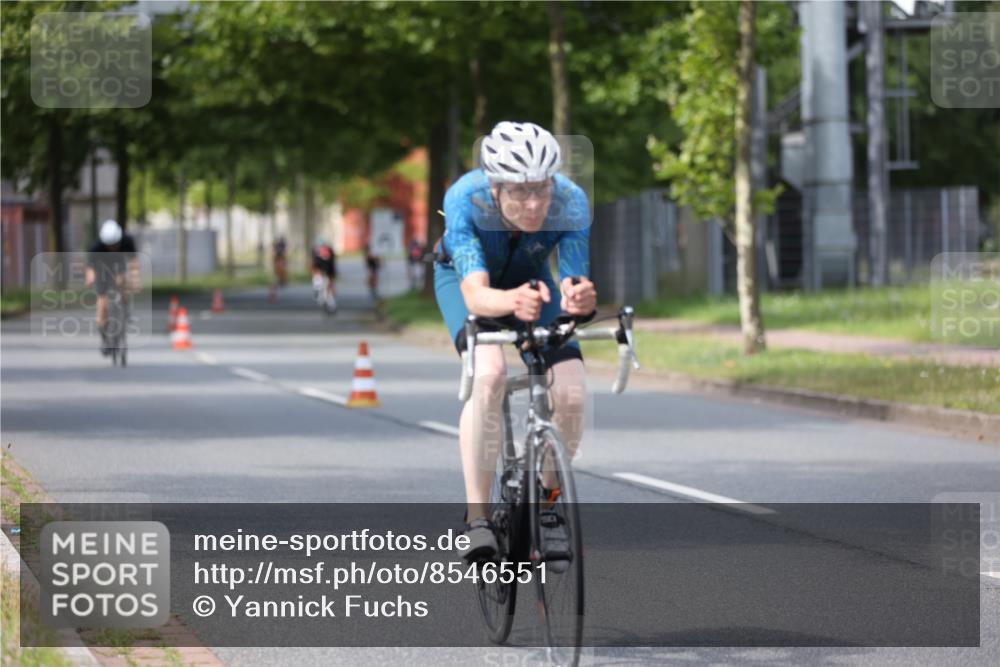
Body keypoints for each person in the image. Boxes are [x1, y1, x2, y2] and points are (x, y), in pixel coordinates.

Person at [433, 122, 596, 562]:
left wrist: (579, 297)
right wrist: (510, 301)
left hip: (531, 282)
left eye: (541, 190)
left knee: (572, 391)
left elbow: (572, 283)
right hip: (466, 282)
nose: (534, 203)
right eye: (520, 192)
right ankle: (477, 519)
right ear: (495, 186)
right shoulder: (465, 199)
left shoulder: (572, 202)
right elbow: (476, 294)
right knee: (490, 377)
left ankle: (546, 505)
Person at [85, 220, 139, 355]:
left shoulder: (127, 241)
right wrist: (91, 277)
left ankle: (125, 310)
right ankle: (104, 337)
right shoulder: (96, 247)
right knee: (102, 303)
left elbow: (133, 262)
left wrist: (136, 279)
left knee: (123, 283)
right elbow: (90, 268)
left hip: (118, 267)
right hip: (101, 269)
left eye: (115, 244)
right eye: (110, 245)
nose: (113, 247)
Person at [311, 237, 338, 313]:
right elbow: (333, 261)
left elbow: (314, 264)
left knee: (319, 276)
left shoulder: (316, 250)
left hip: (323, 265)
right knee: (330, 284)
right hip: (328, 266)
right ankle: (331, 301)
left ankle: (318, 287)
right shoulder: (329, 249)